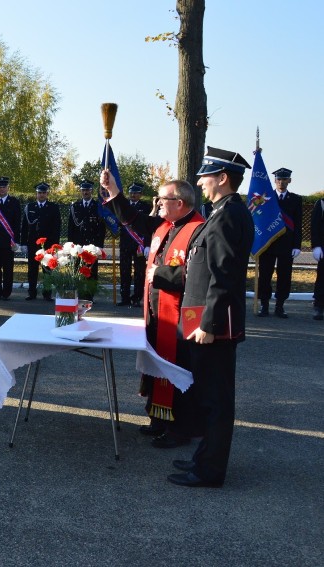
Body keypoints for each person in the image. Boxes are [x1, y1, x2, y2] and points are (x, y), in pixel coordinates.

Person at [101, 174, 206, 450]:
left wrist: (158, 273)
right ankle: (160, 418)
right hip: (158, 311)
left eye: (162, 199)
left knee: (177, 368)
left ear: (180, 202)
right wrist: (113, 190)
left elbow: (195, 274)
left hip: (181, 316)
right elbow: (134, 220)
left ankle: (181, 429)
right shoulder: (165, 224)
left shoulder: (198, 230)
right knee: (158, 366)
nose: (157, 203)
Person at [170, 146, 254, 488]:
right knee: (208, 397)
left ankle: (209, 471)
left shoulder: (230, 215)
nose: (201, 182)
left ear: (223, 178)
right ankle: (203, 458)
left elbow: (224, 276)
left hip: (213, 325)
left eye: (206, 176)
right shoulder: (221, 212)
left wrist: (208, 324)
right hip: (202, 319)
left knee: (217, 402)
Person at [256, 168, 303, 318]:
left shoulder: (296, 199)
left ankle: (280, 305)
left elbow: (298, 224)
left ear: (289, 181)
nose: (281, 182)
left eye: (284, 179)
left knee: (284, 275)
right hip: (268, 244)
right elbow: (259, 219)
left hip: (286, 245)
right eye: (279, 179)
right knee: (264, 275)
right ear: (275, 181)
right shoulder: (266, 198)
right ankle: (264, 304)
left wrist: (297, 245)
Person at [19, 182, 61, 301]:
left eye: (44, 193)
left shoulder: (53, 207)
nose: (41, 195)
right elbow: (24, 227)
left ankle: (47, 294)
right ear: (36, 194)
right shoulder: (30, 207)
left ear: (47, 193)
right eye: (39, 193)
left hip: (48, 244)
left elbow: (57, 227)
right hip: (33, 243)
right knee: (32, 270)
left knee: (48, 270)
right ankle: (31, 293)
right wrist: (23, 243)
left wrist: (55, 245)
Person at [67, 180, 106, 298]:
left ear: (91, 191)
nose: (85, 192)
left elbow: (101, 228)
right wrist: (71, 245)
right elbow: (71, 227)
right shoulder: (75, 206)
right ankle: (77, 295)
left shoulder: (98, 206)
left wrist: (99, 245)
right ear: (80, 191)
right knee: (77, 269)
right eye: (83, 190)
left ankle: (90, 296)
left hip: (92, 245)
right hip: (78, 244)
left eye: (88, 190)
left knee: (91, 271)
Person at [0, 176, 21, 300]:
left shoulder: (14, 202)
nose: (2, 189)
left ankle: (6, 293)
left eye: (4, 187)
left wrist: (16, 240)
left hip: (8, 241)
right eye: (0, 187)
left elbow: (17, 223)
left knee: (8, 269)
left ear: (8, 188)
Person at [117, 183, 151, 307]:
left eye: (136, 193)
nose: (133, 195)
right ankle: (124, 297)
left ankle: (137, 298)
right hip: (125, 243)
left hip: (139, 245)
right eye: (131, 192)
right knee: (124, 271)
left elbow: (148, 227)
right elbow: (118, 222)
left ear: (140, 194)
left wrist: (147, 244)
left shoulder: (146, 207)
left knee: (139, 272)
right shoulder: (124, 206)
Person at [311, 195, 324, 320]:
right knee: (322, 278)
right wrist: (316, 246)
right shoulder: (321, 203)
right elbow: (315, 226)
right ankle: (319, 305)